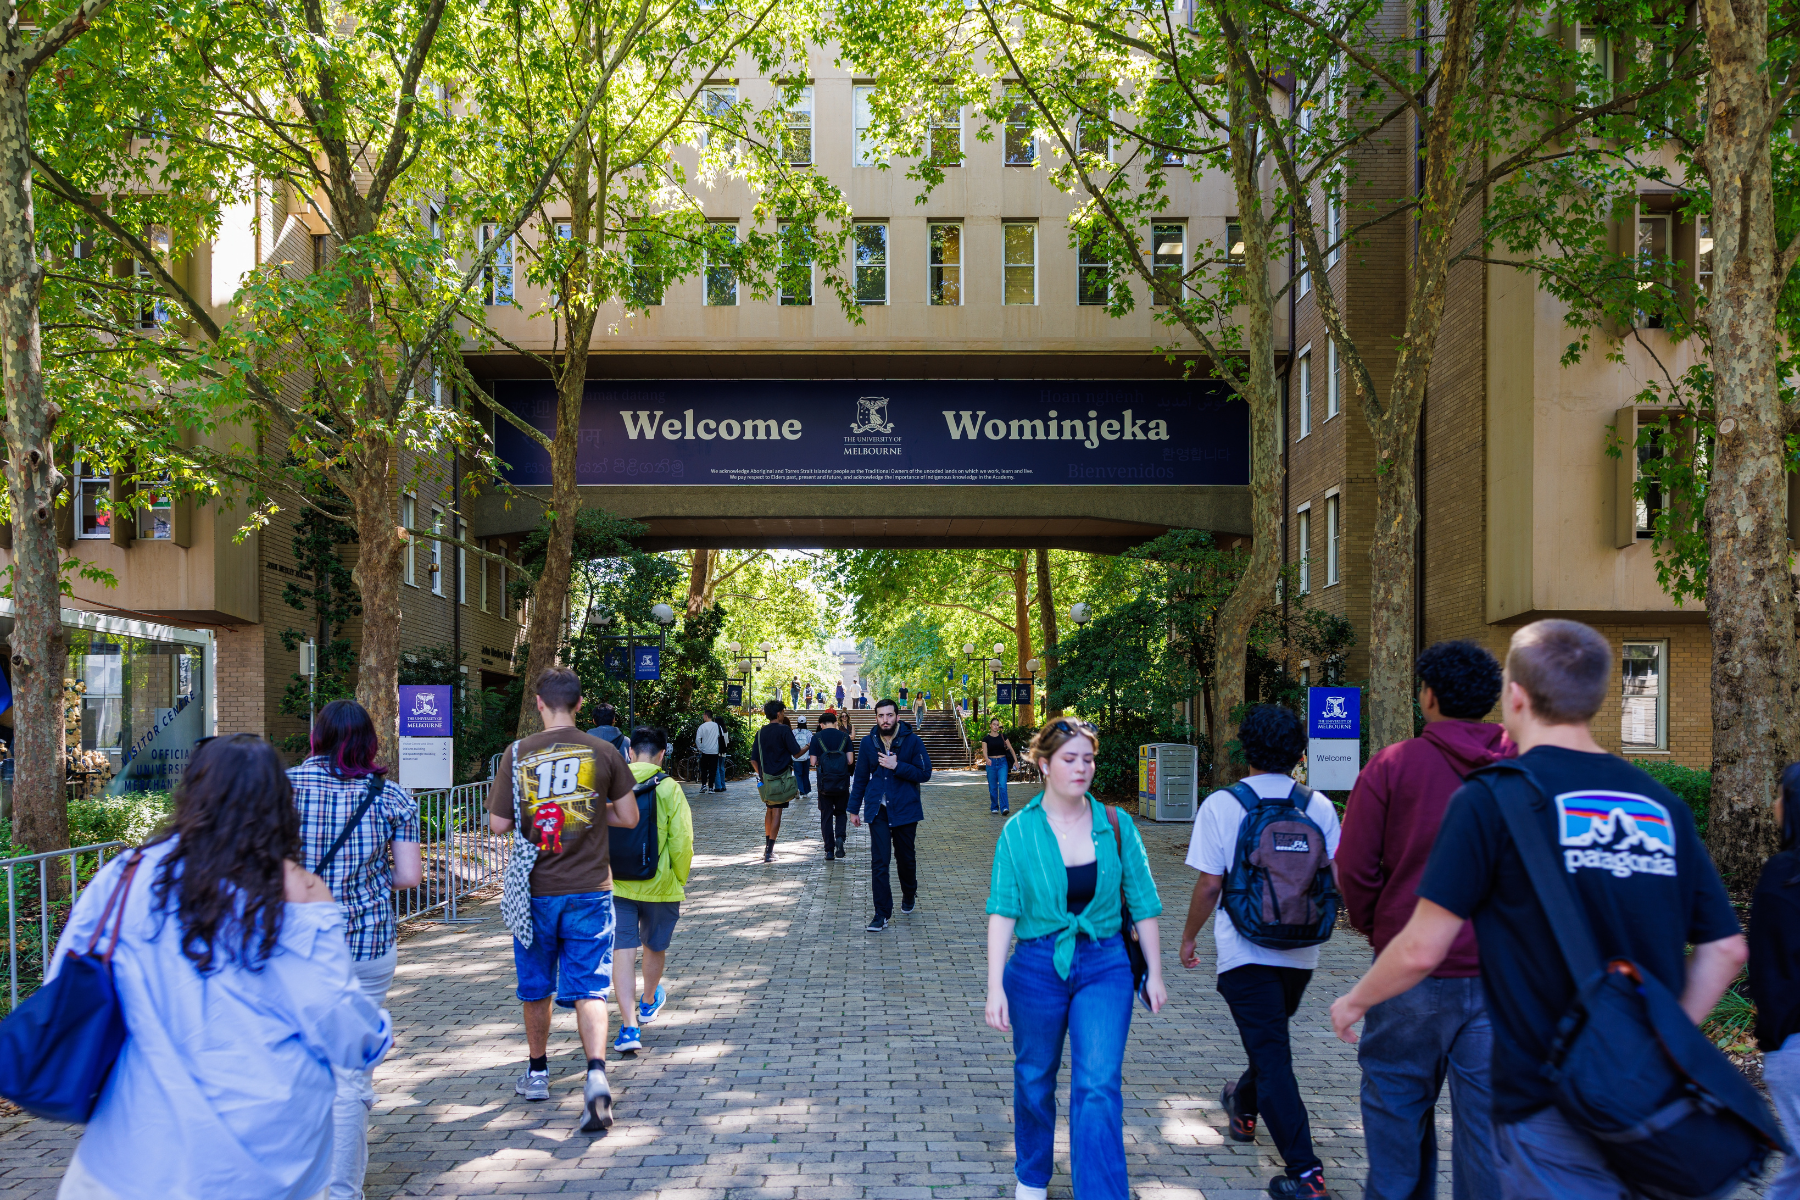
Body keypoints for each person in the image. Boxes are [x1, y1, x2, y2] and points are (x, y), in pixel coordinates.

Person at [1329, 619, 1746, 1198]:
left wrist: (1363, 979)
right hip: (1604, 1071)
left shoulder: (1485, 788)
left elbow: (1387, 906)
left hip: (1493, 1039)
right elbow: (1726, 947)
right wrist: (1659, 1048)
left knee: (1399, 1107)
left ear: (1515, 695)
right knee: (1482, 1142)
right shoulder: (1659, 802)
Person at [49, 734, 392, 1200]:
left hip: (133, 1149)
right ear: (279, 802)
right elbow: (342, 1025)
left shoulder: (126, 875)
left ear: (193, 792)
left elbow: (63, 981)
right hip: (265, 1157)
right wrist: (377, 1034)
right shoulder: (298, 893)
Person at [1336, 641, 1507, 1200]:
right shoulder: (1524, 766)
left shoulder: (1394, 765)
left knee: (1396, 1109)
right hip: (1502, 980)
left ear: (1427, 696)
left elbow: (1355, 868)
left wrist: (1379, 930)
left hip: (1408, 970)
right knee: (1488, 1132)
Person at [985, 718, 1167, 1200]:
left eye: (1088, 758)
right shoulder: (1018, 832)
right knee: (1034, 1079)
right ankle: (1031, 1176)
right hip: (1036, 967)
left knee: (1098, 1085)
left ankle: (1102, 1193)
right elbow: (1003, 910)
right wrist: (994, 985)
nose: (1082, 767)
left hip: (1106, 962)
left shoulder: (1116, 824)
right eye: (1070, 759)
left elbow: (1143, 901)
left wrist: (1155, 973)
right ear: (1044, 765)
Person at [1179, 704, 1340, 1200]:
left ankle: (1306, 1172)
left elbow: (1210, 886)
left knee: (1271, 1053)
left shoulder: (1223, 806)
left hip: (1244, 951)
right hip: (1302, 952)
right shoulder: (1320, 807)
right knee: (1269, 1045)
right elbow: (1333, 881)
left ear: (1244, 748)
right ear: (1299, 753)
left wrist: (1187, 938)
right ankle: (1243, 1106)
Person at [488, 667, 642, 1133]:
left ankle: (537, 1072)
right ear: (579, 704)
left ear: (538, 703)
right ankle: (595, 1077)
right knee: (589, 987)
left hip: (534, 892)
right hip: (591, 890)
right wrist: (592, 816)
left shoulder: (516, 754)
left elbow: (497, 825)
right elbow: (630, 817)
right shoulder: (604, 750)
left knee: (536, 984)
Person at [288, 700, 424, 1200]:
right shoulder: (391, 797)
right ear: (369, 741)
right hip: (366, 943)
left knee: (299, 1061)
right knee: (349, 1074)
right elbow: (410, 876)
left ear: (316, 737)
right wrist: (364, 882)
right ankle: (341, 1191)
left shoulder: (281, 788)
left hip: (295, 944)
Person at [610, 726, 694, 1056]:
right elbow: (681, 839)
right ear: (662, 754)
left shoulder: (613, 784)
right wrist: (679, 877)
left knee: (623, 951)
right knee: (654, 946)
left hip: (618, 881)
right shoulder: (670, 788)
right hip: (661, 884)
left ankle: (628, 1026)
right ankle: (647, 1003)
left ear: (629, 753)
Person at [1754, 764, 1800, 1200]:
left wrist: (1772, 1037)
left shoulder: (1782, 875)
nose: (1774, 805)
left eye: (1780, 795)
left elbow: (1767, 970)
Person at [848, 697, 933, 932]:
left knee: (905, 859)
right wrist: (854, 809)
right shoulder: (867, 743)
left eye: (889, 715)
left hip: (906, 809)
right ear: (876, 718)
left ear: (897, 716)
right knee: (879, 862)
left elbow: (925, 773)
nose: (885, 720)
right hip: (879, 810)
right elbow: (861, 777)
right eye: (881, 716)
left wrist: (897, 766)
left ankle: (909, 892)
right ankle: (882, 914)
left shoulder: (912, 741)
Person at [751, 699, 803, 863]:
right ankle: (769, 851)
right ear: (779, 713)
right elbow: (796, 753)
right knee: (777, 812)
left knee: (769, 810)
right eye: (784, 712)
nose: (784, 715)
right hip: (781, 779)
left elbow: (753, 760)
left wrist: (761, 774)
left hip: (766, 779)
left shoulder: (760, 733)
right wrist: (808, 746)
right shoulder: (784, 730)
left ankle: (767, 847)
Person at [809, 710, 856, 860]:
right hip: (842, 782)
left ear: (821, 724)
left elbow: (812, 762)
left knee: (826, 816)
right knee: (841, 813)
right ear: (835, 723)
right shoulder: (845, 737)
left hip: (825, 784)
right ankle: (840, 838)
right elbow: (850, 761)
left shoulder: (816, 738)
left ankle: (829, 850)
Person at [982, 717, 1019, 816]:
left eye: (997, 725)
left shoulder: (1003, 736)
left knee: (1002, 786)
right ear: (990, 725)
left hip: (1003, 763)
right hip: (991, 763)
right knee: (993, 787)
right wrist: (987, 759)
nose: (995, 726)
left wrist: (1016, 761)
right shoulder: (986, 739)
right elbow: (984, 752)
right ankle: (994, 806)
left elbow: (1011, 749)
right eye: (994, 724)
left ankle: (1004, 807)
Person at [695, 710, 723, 795]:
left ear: (706, 716)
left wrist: (700, 748)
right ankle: (711, 787)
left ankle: (703, 785)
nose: (703, 717)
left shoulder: (702, 727)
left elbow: (697, 739)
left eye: (703, 715)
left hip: (705, 751)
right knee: (713, 770)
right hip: (714, 751)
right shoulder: (717, 726)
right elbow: (721, 737)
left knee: (704, 769)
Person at [793, 717, 814, 798]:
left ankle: (798, 789)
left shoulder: (794, 732)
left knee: (797, 774)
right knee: (805, 774)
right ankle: (805, 791)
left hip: (796, 756)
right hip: (806, 756)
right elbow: (811, 744)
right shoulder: (808, 733)